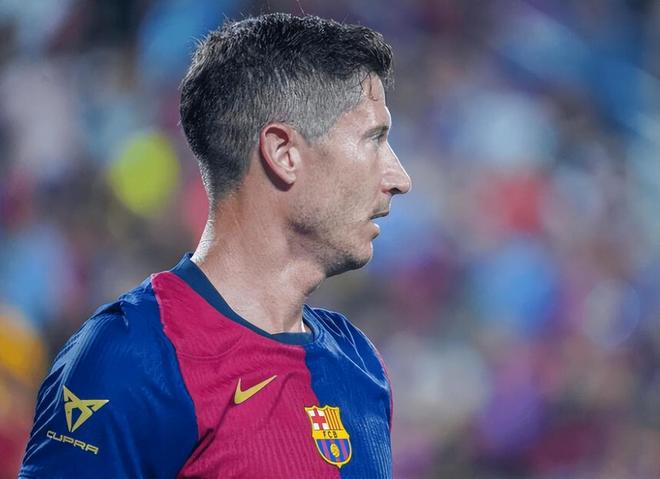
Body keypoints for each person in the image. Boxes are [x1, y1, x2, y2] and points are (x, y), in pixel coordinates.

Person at [19, 12, 411, 479]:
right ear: (283, 153)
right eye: (374, 139)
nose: (399, 178)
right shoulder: (134, 357)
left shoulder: (360, 364)